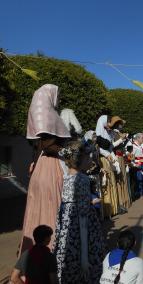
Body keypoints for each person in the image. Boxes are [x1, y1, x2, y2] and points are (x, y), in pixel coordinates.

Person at [20, 84, 71, 255]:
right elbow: (50, 146)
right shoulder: (50, 118)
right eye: (58, 95)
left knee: (37, 208)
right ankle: (52, 252)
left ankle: (33, 253)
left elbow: (38, 147)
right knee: (52, 207)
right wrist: (69, 151)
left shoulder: (38, 118)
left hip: (39, 168)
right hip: (50, 168)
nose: (59, 98)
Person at [54, 140, 105, 283]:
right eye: (88, 157)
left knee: (67, 259)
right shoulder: (82, 179)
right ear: (79, 159)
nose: (91, 160)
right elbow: (83, 221)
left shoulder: (64, 177)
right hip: (82, 234)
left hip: (66, 229)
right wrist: (84, 258)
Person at [95, 115, 120, 218]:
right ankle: (105, 211)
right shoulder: (98, 134)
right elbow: (98, 147)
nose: (111, 126)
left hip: (108, 160)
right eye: (110, 123)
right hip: (102, 161)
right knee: (105, 186)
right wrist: (107, 154)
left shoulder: (108, 133)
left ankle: (112, 209)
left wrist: (114, 159)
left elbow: (110, 147)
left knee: (111, 184)